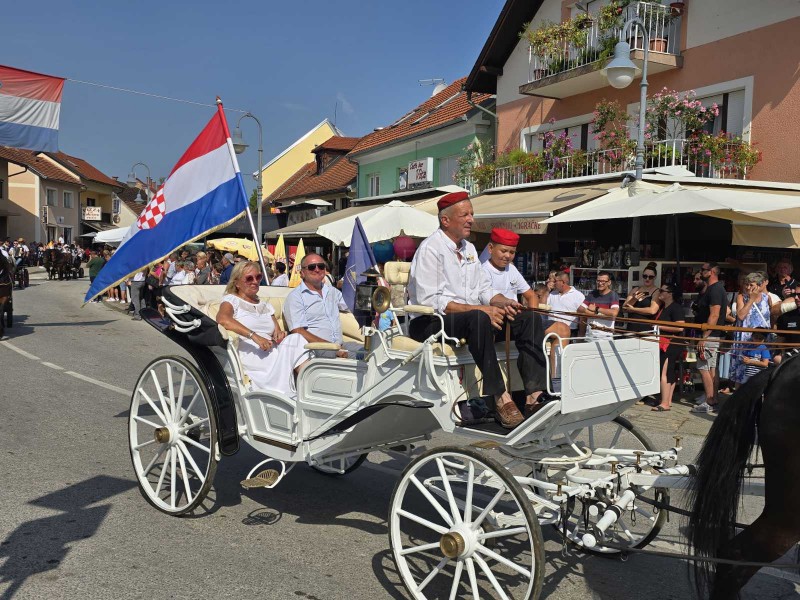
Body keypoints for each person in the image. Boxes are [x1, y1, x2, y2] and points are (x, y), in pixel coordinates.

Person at [407, 191, 547, 429]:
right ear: (446, 220)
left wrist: (503, 302)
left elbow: (484, 288)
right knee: (478, 317)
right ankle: (501, 397)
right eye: (465, 214)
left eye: (472, 213)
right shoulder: (431, 249)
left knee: (529, 318)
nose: (471, 219)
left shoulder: (470, 249)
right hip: (431, 321)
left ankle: (534, 396)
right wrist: (482, 309)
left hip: (469, 319)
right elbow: (433, 300)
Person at [216, 261, 310, 398]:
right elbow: (223, 319)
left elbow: (277, 332)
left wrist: (280, 335)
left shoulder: (265, 306)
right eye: (249, 278)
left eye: (258, 277)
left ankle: (308, 389)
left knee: (296, 338)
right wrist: (254, 336)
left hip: (272, 353)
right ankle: (302, 390)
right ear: (237, 283)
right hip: (252, 357)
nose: (255, 281)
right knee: (295, 340)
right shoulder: (231, 300)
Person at [283, 253, 353, 357]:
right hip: (315, 348)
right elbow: (298, 331)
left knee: (373, 351)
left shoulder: (332, 291)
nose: (317, 270)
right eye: (311, 267)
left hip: (340, 345)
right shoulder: (296, 297)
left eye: (321, 266)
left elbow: (351, 306)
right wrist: (330, 347)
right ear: (302, 273)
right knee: (363, 361)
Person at [692, 262, 727, 414]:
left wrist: (704, 337)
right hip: (712, 335)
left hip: (711, 335)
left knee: (703, 367)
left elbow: (714, 314)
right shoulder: (714, 288)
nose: (701, 272)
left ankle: (710, 401)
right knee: (711, 368)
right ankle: (712, 398)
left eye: (703, 270)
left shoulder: (716, 289)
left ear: (711, 271)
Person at [728, 271, 772, 389]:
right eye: (746, 284)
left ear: (759, 285)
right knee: (742, 372)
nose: (748, 287)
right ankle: (739, 400)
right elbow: (741, 316)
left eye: (751, 285)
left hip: (761, 340)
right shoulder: (741, 297)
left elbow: (769, 318)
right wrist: (751, 300)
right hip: (745, 340)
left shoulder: (767, 298)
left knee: (759, 369)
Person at [652, 284, 685, 412]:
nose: (660, 292)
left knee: (664, 372)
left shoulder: (675, 308)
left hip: (671, 342)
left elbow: (680, 327)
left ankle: (664, 402)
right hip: (666, 342)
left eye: (662, 291)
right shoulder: (664, 307)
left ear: (670, 294)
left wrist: (658, 326)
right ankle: (667, 400)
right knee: (669, 371)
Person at [578, 271, 620, 340]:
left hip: (605, 336)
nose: (600, 283)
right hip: (590, 335)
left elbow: (614, 313)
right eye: (598, 281)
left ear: (609, 282)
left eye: (603, 281)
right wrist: (591, 313)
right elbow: (580, 309)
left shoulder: (613, 295)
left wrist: (597, 309)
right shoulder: (592, 294)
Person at [623, 262, 661, 332]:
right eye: (645, 276)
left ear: (655, 277)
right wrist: (634, 299)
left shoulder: (657, 291)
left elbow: (652, 311)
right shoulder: (635, 289)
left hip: (646, 328)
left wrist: (634, 309)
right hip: (631, 326)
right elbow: (624, 308)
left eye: (650, 277)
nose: (647, 279)